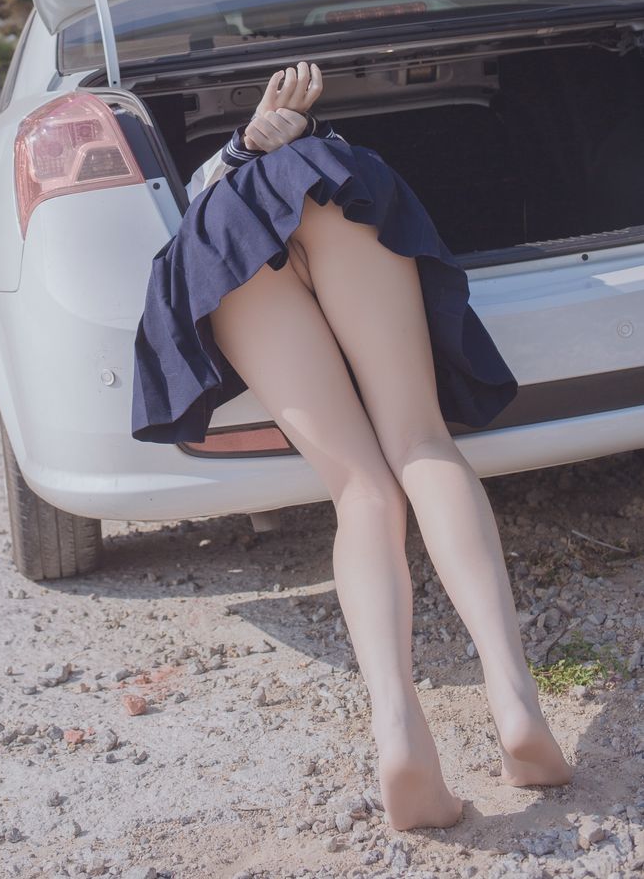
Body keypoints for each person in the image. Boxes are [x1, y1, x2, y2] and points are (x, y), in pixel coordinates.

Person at [132, 61, 573, 831]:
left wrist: (243, 149)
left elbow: (206, 193)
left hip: (218, 236)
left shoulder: (224, 169)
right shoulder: (320, 147)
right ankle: (514, 702)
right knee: (420, 441)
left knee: (359, 489)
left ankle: (398, 730)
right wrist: (293, 140)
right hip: (324, 181)